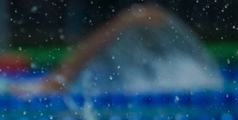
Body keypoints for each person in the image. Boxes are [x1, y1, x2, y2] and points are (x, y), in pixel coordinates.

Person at [13, 3, 222, 95]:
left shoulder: (184, 71)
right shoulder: (189, 72)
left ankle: (60, 77)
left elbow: (149, 15)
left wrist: (63, 75)